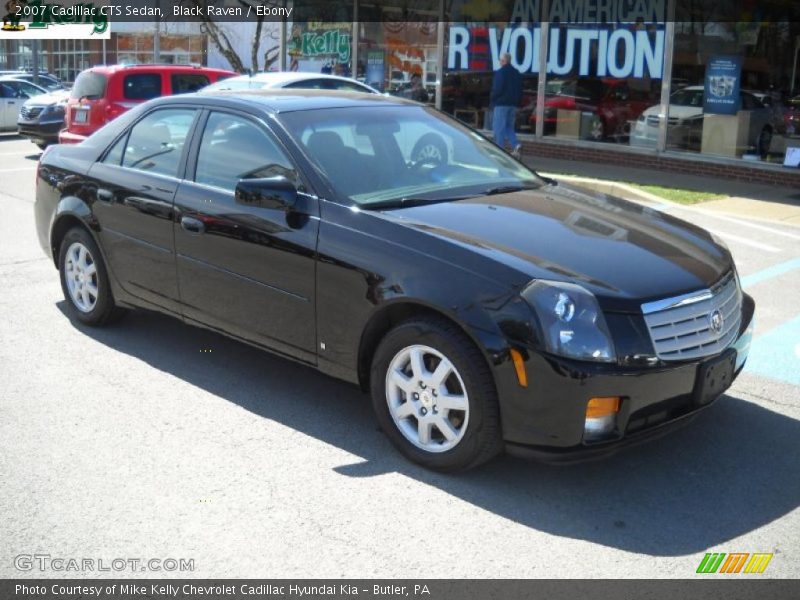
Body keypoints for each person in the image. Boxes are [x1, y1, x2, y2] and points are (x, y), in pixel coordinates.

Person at [491, 53, 523, 157]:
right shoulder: (516, 73)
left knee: (499, 129)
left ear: (504, 61)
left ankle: (499, 152)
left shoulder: (501, 72)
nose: (499, 62)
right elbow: (519, 89)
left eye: (500, 60)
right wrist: (517, 102)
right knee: (509, 127)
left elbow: (498, 89)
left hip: (501, 104)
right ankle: (516, 144)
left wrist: (493, 98)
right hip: (512, 104)